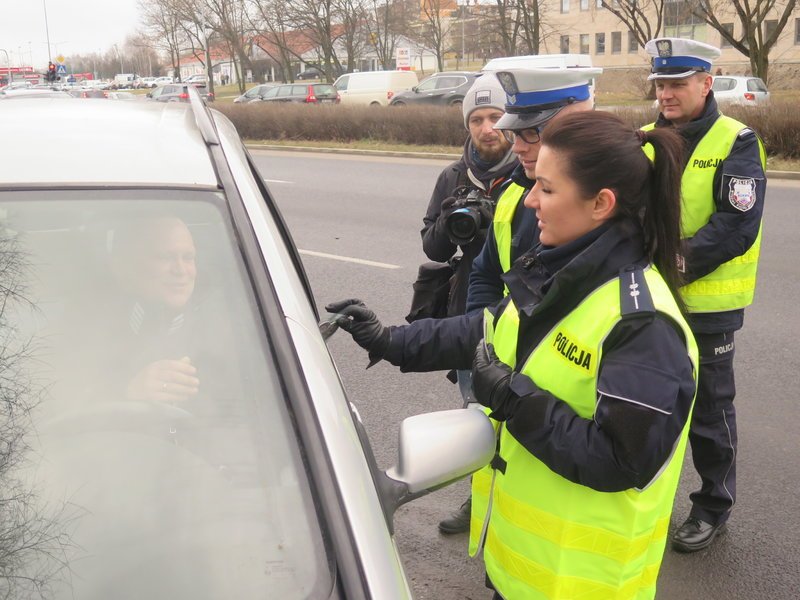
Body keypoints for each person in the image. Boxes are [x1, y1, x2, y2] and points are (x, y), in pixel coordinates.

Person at [330, 110, 698, 598]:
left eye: (546, 188)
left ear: (600, 203)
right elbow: (484, 330)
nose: (530, 200)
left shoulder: (642, 323)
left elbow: (621, 462)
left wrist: (511, 398)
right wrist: (387, 339)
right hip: (519, 570)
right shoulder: (561, 271)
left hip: (580, 586)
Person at [644, 37, 767, 553]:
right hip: (648, 298)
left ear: (706, 83)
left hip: (709, 306)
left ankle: (713, 506)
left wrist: (676, 265)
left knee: (709, 410)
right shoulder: (645, 137)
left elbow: (737, 224)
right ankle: (648, 502)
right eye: (661, 84)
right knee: (647, 401)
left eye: (677, 84)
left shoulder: (735, 140)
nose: (667, 94)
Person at [418, 72, 516, 534]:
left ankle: (515, 503)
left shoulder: (531, 170)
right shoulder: (452, 176)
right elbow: (433, 249)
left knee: (520, 412)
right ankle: (477, 501)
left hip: (520, 311)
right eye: (477, 119)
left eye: (495, 116)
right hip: (469, 311)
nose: (487, 127)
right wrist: (454, 216)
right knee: (475, 412)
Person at [466, 67, 601, 313]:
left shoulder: (602, 203)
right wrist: (482, 335)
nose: (517, 147)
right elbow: (485, 275)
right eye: (514, 133)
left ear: (574, 129)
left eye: (530, 133)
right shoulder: (513, 192)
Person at [62, 216, 233, 407]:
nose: (180, 270)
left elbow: (252, 419)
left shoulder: (229, 332)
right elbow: (50, 409)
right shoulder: (82, 332)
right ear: (123, 266)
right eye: (164, 257)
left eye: (188, 258)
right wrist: (126, 392)